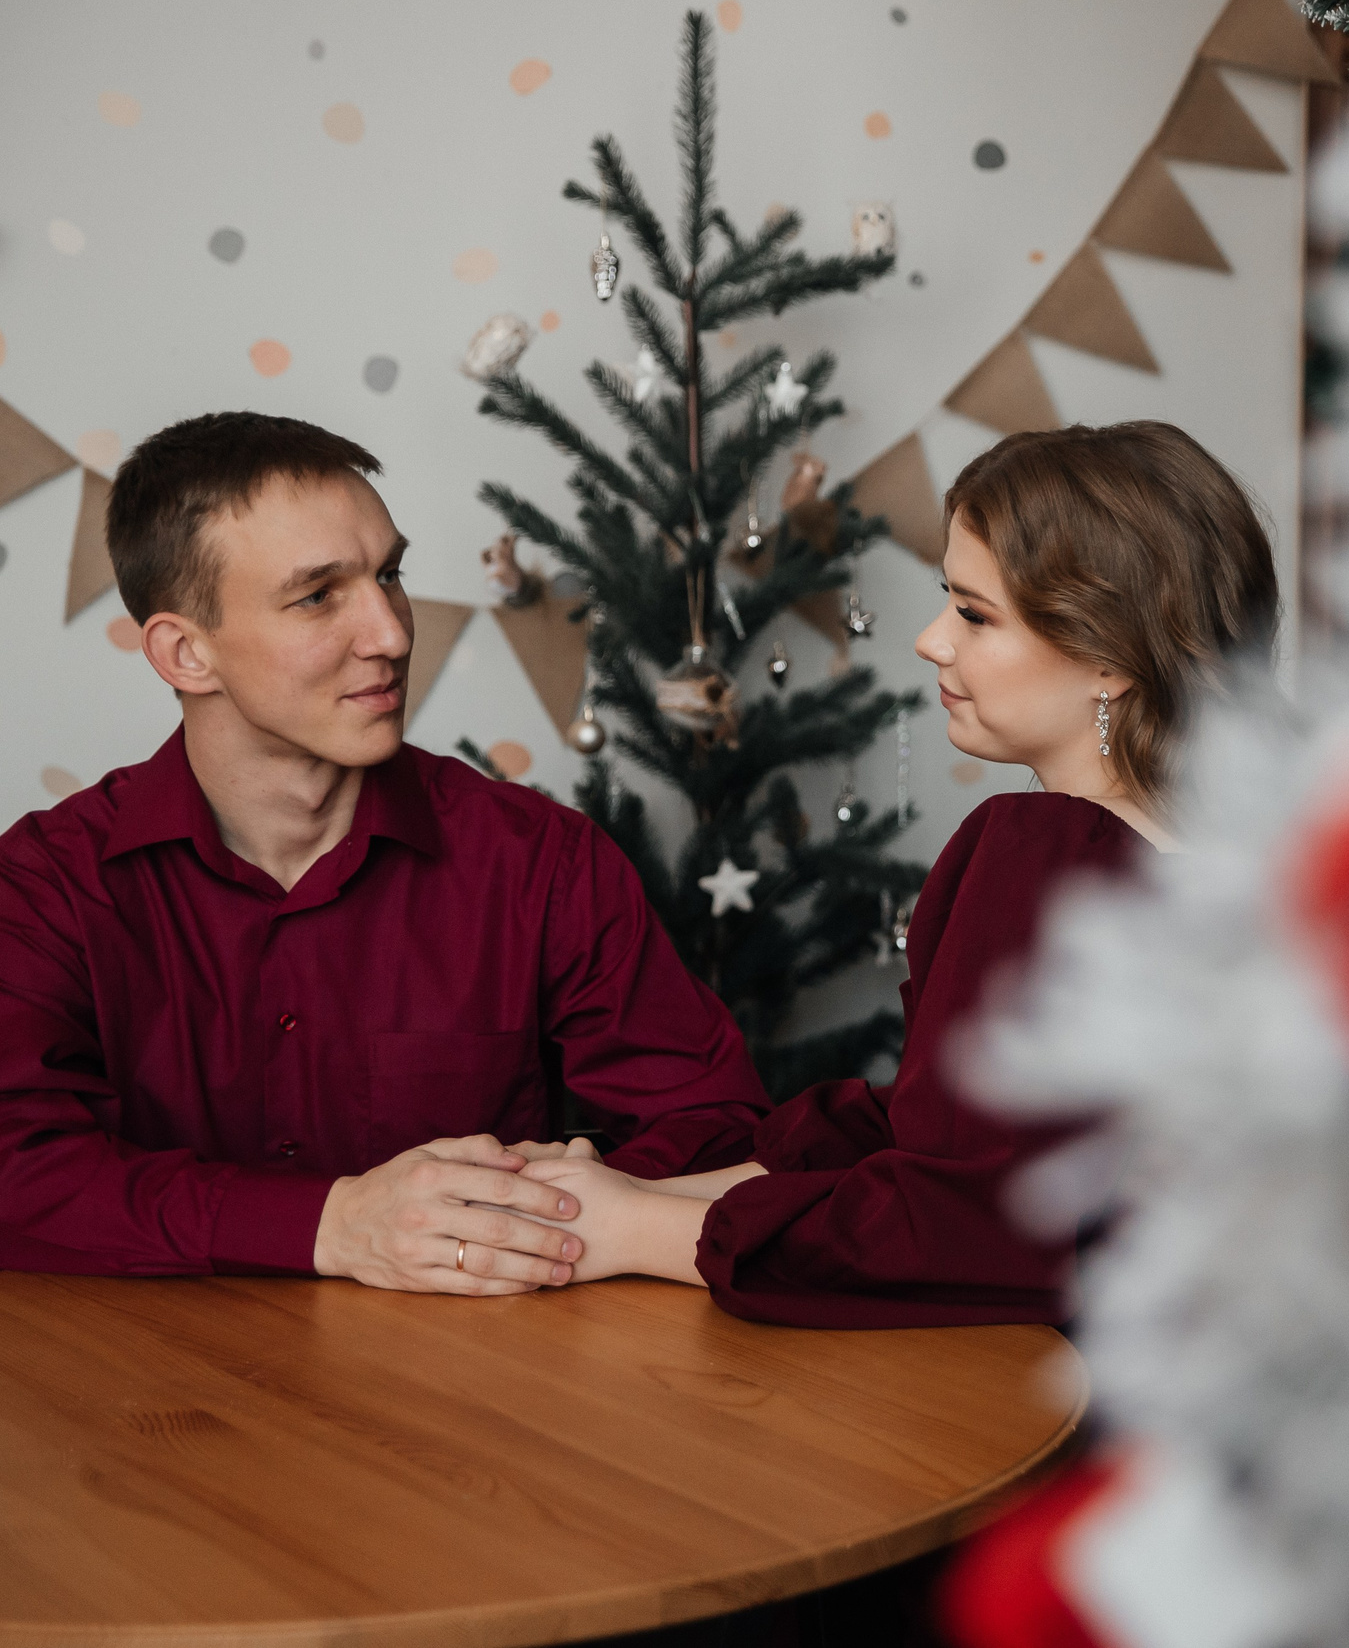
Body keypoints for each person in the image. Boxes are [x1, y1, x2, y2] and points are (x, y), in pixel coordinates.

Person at [0, 412, 768, 1292]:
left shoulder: (538, 859)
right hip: (147, 1399)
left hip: (459, 1395)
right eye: (319, 595)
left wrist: (526, 1209)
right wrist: (334, 1224)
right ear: (184, 651)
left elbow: (720, 1122)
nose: (393, 633)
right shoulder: (53, 879)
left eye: (389, 573)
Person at [515, 421, 1280, 1326]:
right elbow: (949, 1135)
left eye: (974, 614)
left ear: (1107, 656)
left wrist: (631, 1230)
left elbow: (969, 1224)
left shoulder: (1049, 855)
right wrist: (644, 1192)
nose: (929, 641)